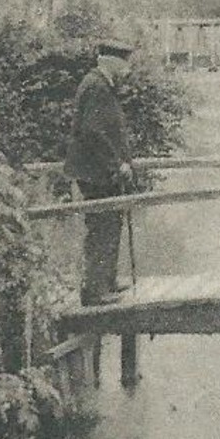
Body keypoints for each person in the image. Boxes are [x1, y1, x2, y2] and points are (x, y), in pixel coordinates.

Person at [66, 39, 136, 305]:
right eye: (124, 63)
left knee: (111, 222)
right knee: (102, 226)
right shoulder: (96, 86)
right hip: (96, 172)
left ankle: (106, 280)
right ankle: (95, 290)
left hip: (101, 171)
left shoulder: (102, 85)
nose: (127, 69)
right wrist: (116, 164)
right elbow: (93, 132)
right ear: (112, 62)